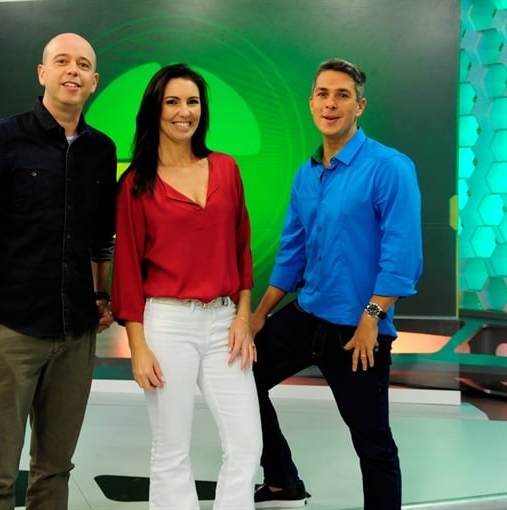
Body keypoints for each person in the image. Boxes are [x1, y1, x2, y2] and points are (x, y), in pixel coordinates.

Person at [0, 33, 117, 509]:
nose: (73, 71)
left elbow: (101, 240)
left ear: (94, 82)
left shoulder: (102, 151)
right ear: (42, 73)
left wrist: (99, 297)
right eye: (62, 61)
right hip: (9, 333)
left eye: (83, 65)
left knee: (55, 472)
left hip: (75, 337)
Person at [251, 58, 423, 510]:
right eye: (323, 94)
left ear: (359, 106)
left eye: (342, 95)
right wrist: (259, 314)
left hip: (358, 332)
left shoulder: (389, 167)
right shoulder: (306, 175)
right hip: (307, 317)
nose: (331, 103)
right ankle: (281, 478)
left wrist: (371, 319)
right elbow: (291, 254)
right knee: (240, 377)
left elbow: (402, 256)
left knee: (374, 446)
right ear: (311, 103)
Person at [111, 63, 262, 510]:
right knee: (171, 449)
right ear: (155, 110)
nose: (184, 112)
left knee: (247, 444)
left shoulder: (226, 168)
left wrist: (242, 317)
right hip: (166, 323)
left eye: (192, 101)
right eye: (172, 102)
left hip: (223, 323)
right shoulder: (135, 184)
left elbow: (241, 248)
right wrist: (137, 347)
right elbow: (127, 272)